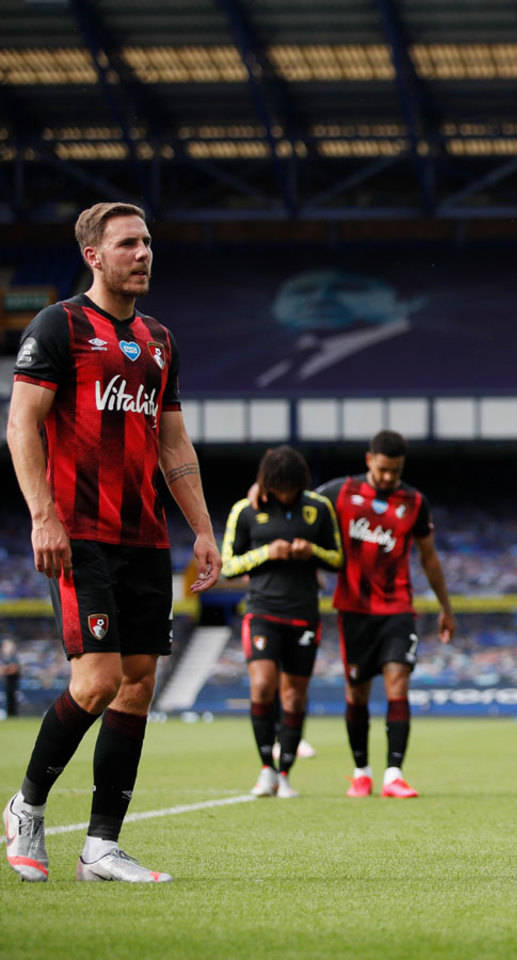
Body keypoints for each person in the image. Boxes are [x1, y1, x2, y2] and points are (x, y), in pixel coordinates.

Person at [4, 202, 221, 883]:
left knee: (136, 687)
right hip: (79, 532)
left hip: (145, 536)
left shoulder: (160, 339)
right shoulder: (59, 325)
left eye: (149, 242)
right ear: (94, 255)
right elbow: (22, 426)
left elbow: (172, 441)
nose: (144, 253)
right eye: (129, 243)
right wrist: (43, 515)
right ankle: (27, 805)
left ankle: (101, 846)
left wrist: (205, 528)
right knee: (96, 681)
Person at [255, 430, 455, 797]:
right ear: (369, 461)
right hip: (354, 610)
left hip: (398, 608)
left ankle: (393, 773)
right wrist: (259, 488)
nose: (388, 478)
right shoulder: (339, 493)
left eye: (395, 471)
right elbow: (296, 496)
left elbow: (428, 557)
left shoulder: (414, 501)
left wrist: (446, 607)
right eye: (382, 470)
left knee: (398, 683)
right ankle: (361, 770)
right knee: (357, 694)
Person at [222, 446, 342, 799]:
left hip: (304, 613)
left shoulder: (319, 509)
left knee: (294, 695)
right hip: (262, 610)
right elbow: (228, 565)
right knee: (262, 686)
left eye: (293, 487)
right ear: (270, 483)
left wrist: (312, 552)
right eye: (281, 487)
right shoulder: (246, 510)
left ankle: (286, 774)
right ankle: (265, 770)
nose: (287, 494)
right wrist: (266, 552)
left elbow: (337, 558)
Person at [2, 639, 19, 718]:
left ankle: (13, 715)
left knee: (12, 699)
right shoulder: (6, 658)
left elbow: (14, 668)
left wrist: (5, 669)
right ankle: (10, 715)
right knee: (9, 699)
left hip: (13, 683)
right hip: (8, 683)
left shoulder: (13, 657)